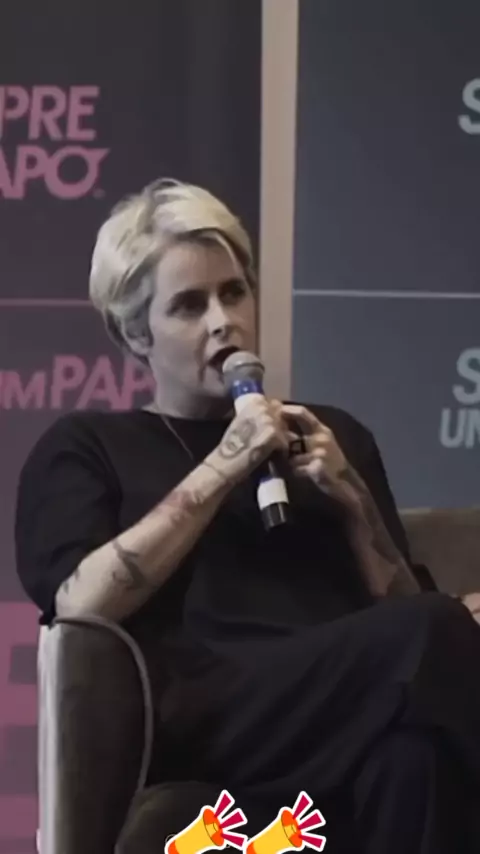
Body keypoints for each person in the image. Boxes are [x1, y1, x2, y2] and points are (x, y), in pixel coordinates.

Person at [14, 179, 480, 852]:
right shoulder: (87, 446)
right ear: (135, 333)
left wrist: (354, 505)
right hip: (208, 713)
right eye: (189, 305)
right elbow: (78, 605)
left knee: (415, 761)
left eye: (234, 293)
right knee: (439, 626)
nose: (222, 321)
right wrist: (225, 464)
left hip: (344, 708)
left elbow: (403, 619)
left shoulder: (333, 434)